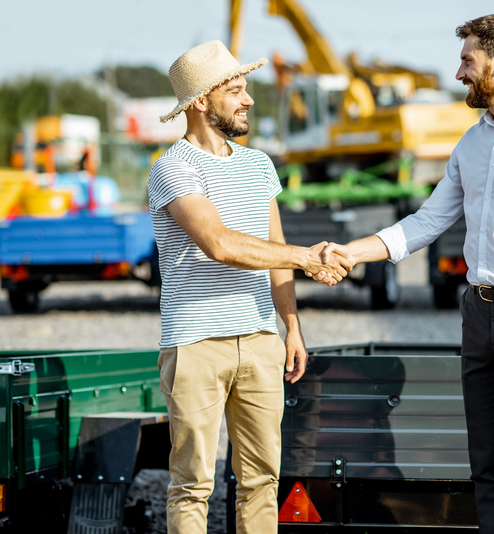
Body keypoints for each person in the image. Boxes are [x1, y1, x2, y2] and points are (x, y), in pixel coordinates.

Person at [314, 14, 494, 534]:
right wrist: (353, 253)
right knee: (489, 471)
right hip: (479, 317)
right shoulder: (471, 144)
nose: (459, 74)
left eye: (467, 61)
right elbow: (426, 221)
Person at [148, 40, 349, 534]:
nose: (248, 100)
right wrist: (306, 258)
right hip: (196, 342)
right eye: (235, 90)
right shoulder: (173, 167)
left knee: (262, 481)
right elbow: (218, 243)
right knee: (193, 484)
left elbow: (272, 248)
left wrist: (292, 327)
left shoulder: (259, 164)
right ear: (200, 102)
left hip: (260, 340)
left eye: (245, 88)